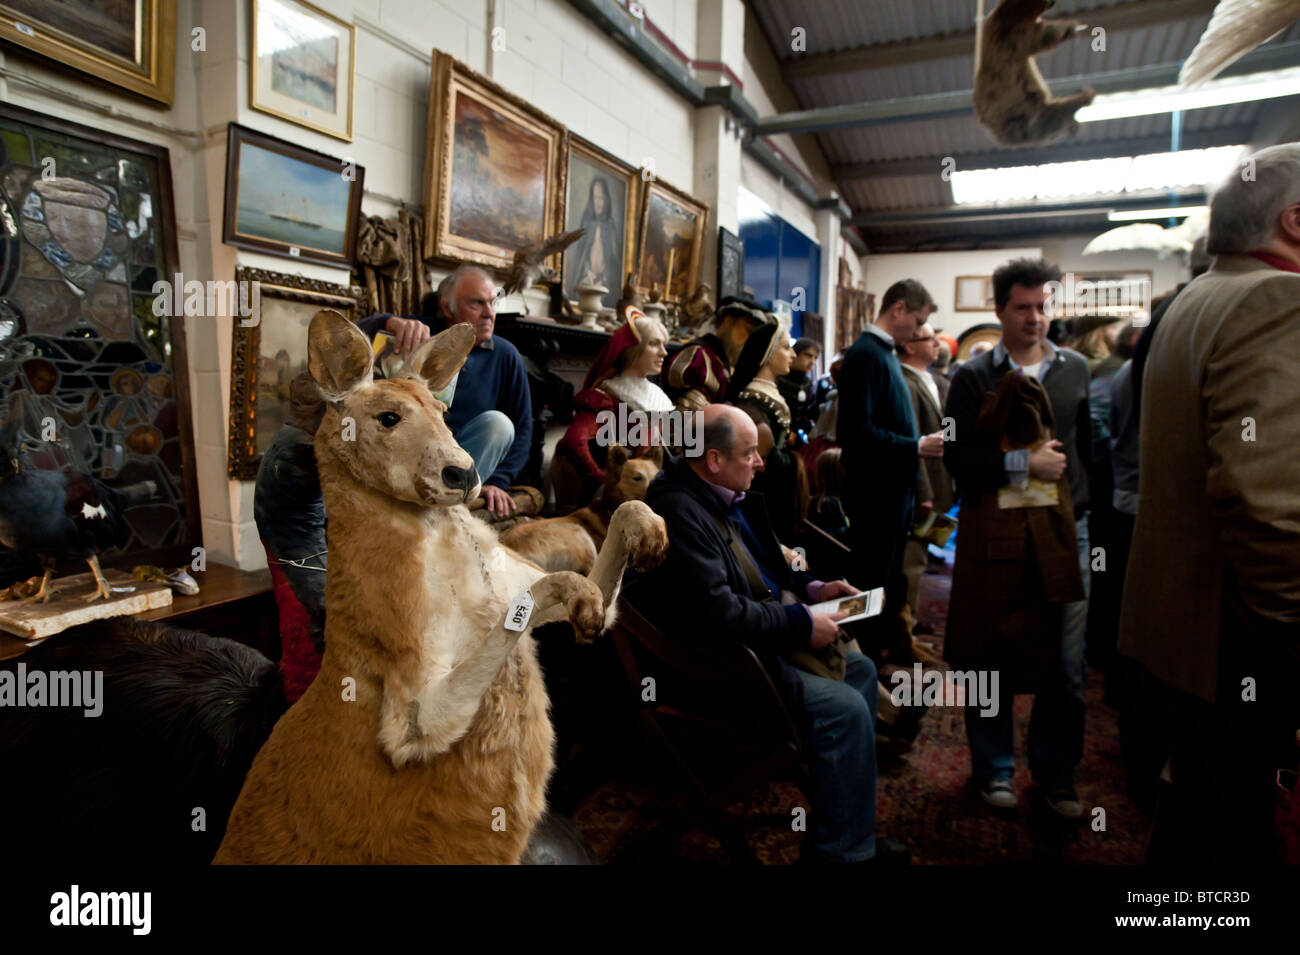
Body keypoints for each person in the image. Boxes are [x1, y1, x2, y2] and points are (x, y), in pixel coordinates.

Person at [623, 403, 908, 864]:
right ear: (714, 459)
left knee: (860, 667)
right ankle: (840, 854)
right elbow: (720, 615)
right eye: (750, 452)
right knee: (848, 709)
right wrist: (800, 623)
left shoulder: (714, 492)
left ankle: (839, 820)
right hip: (711, 672)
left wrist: (814, 589)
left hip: (745, 649)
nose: (760, 462)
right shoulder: (678, 511)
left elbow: (764, 570)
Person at [1119, 143, 1300, 864]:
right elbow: (1270, 503)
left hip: (1185, 632)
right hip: (1246, 639)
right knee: (1238, 832)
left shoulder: (1197, 295)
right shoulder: (1278, 299)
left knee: (1199, 817)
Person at [943, 257, 1093, 819]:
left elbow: (1087, 453)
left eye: (1044, 306)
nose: (1036, 318)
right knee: (992, 653)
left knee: (1067, 663)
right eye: (1023, 308)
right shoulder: (972, 376)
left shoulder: (1076, 369)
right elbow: (958, 457)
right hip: (996, 530)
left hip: (1064, 529)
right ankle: (993, 769)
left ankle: (1057, 776)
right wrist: (1021, 465)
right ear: (1000, 311)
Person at [359, 265, 532, 517]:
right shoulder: (419, 334)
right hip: (414, 452)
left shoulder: (506, 355)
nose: (489, 313)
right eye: (477, 304)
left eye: (493, 304)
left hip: (464, 458)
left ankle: (442, 511)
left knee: (500, 424)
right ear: (447, 307)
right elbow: (350, 340)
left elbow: (524, 428)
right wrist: (388, 322)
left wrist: (499, 481)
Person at [836, 280, 946, 658]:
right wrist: (915, 446)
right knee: (866, 585)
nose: (918, 332)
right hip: (874, 495)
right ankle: (855, 661)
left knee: (884, 582)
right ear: (897, 309)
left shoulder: (883, 353)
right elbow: (854, 434)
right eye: (917, 321)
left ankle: (877, 652)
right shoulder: (866, 354)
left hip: (892, 493)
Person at [254, 373, 327, 702]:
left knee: (309, 620)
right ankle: (305, 708)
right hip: (296, 550)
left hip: (291, 544)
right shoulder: (302, 447)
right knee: (314, 622)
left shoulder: (291, 438)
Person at [557, 307, 670, 503]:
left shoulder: (657, 396)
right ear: (633, 350)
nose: (664, 352)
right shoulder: (605, 398)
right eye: (654, 344)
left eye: (663, 344)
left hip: (651, 487)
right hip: (619, 498)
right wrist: (603, 479)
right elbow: (573, 442)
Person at [729, 322, 806, 545]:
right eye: (785, 347)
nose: (792, 354)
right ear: (768, 353)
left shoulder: (768, 394)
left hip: (777, 492)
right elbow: (764, 461)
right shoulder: (752, 400)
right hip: (765, 495)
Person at [896, 321, 952, 627]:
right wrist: (924, 493)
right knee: (912, 561)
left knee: (921, 557)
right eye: (930, 339)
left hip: (938, 480)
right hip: (920, 487)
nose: (937, 344)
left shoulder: (929, 378)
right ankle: (907, 627)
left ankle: (910, 621)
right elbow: (913, 440)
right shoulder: (905, 381)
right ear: (909, 345)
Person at [666, 296, 771, 411]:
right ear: (728, 321)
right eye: (749, 330)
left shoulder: (724, 361)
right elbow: (690, 417)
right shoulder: (700, 357)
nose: (751, 339)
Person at [568, 177, 620, 306]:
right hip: (587, 279)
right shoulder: (586, 222)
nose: (598, 202)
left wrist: (603, 278)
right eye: (595, 197)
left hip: (604, 283)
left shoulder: (611, 226)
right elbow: (580, 256)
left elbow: (613, 261)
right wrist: (588, 274)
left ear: (606, 200)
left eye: (601, 198)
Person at [777, 337, 821, 441]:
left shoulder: (807, 383)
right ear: (795, 353)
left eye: (815, 358)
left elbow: (804, 414)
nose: (812, 361)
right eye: (808, 356)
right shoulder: (779, 378)